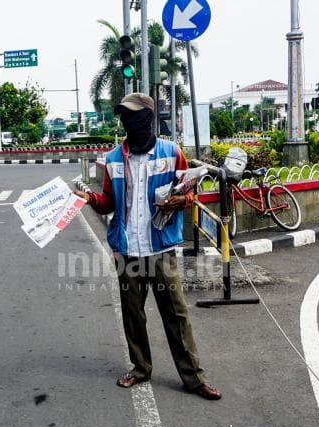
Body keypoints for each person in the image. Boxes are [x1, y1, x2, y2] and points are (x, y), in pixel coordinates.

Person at [74, 93, 221, 400]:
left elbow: (188, 194)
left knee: (176, 315)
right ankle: (140, 369)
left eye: (135, 116)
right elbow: (109, 203)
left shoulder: (172, 152)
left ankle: (193, 378)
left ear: (149, 118)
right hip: (127, 250)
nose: (129, 121)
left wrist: (183, 200)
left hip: (160, 249)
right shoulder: (113, 158)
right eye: (124, 116)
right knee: (132, 314)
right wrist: (90, 199)